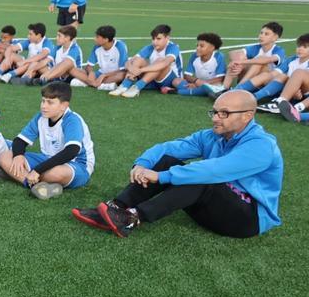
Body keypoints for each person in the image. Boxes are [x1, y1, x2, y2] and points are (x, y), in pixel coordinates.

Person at [72, 90, 282, 238]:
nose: (216, 118)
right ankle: (116, 207)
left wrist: (162, 176)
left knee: (202, 176)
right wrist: (142, 164)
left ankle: (131, 218)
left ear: (248, 115)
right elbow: (168, 148)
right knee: (168, 161)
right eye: (215, 112)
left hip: (247, 220)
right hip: (215, 207)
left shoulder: (261, 145)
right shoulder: (212, 135)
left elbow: (216, 170)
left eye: (224, 113)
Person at [0, 81, 94, 200]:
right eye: (43, 101)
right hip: (48, 158)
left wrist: (37, 170)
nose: (43, 106)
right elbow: (20, 140)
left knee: (54, 174)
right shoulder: (41, 117)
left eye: (50, 102)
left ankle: (16, 176)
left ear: (64, 105)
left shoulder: (72, 120)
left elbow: (71, 151)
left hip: (77, 164)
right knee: (4, 157)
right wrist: (18, 155)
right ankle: (37, 187)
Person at [109, 24, 182, 99]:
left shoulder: (173, 47)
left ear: (167, 38)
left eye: (158, 39)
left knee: (159, 61)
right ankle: (124, 86)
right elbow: (129, 62)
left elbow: (164, 63)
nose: (155, 42)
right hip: (152, 80)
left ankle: (137, 87)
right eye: (153, 39)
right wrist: (132, 69)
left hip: (169, 81)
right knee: (138, 60)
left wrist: (140, 70)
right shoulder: (150, 47)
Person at [223, 21, 285, 93]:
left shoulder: (279, 50)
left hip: (267, 82)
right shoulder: (256, 48)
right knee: (235, 62)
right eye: (261, 33)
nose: (261, 36)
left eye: (266, 34)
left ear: (275, 38)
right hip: (251, 79)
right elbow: (232, 53)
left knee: (258, 62)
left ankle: (237, 89)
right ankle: (224, 88)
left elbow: (267, 60)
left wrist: (242, 62)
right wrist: (239, 64)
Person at [69, 25, 127, 91]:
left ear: (106, 39)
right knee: (73, 70)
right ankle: (101, 84)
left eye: (97, 37)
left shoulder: (120, 47)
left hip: (114, 74)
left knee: (122, 75)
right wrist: (91, 73)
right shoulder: (97, 47)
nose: (94, 39)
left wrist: (104, 75)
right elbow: (89, 65)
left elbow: (123, 69)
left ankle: (88, 82)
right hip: (99, 74)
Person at [172, 33, 226, 97]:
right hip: (197, 82)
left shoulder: (219, 57)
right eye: (197, 46)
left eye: (201, 46)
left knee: (218, 86)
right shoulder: (194, 56)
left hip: (213, 84)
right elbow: (187, 75)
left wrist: (202, 84)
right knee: (176, 81)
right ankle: (200, 91)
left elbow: (219, 79)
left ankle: (180, 91)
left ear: (212, 48)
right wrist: (196, 81)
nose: (197, 48)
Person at [271, 34, 309, 122]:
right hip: (302, 93)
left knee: (299, 73)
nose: (300, 48)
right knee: (297, 73)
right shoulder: (292, 60)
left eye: (305, 47)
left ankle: (296, 112)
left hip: (302, 96)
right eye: (299, 46)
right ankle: (289, 107)